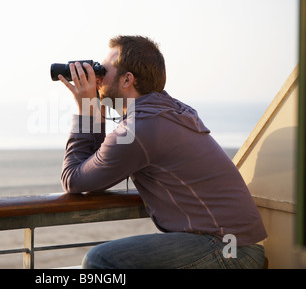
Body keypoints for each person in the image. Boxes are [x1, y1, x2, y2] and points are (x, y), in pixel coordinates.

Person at [57, 35, 267, 269]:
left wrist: (87, 108)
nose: (97, 79)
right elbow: (93, 166)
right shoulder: (167, 111)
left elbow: (73, 178)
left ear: (127, 79)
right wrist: (93, 107)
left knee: (100, 259)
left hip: (227, 250)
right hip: (236, 245)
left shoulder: (141, 128)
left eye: (102, 71)